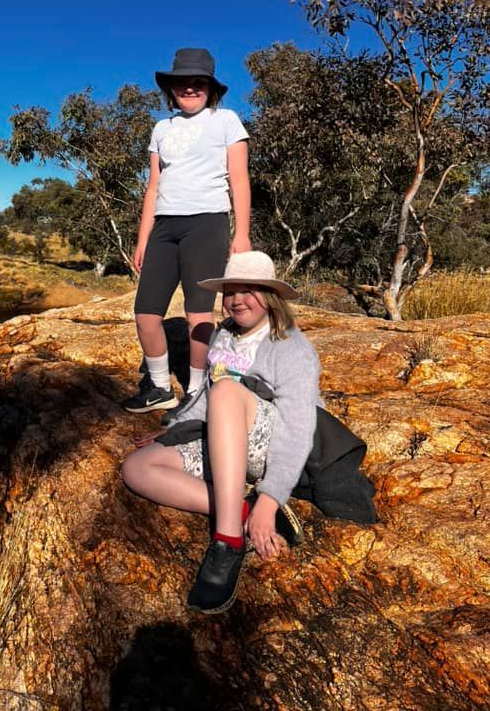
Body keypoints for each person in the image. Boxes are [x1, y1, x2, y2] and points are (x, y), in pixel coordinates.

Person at [121, 251, 323, 614]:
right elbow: (206, 396)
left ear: (271, 297)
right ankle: (240, 510)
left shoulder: (292, 348)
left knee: (230, 389)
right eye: (230, 292)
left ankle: (228, 539)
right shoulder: (224, 336)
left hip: (274, 447)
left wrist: (271, 498)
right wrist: (174, 429)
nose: (237, 300)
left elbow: (297, 430)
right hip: (229, 442)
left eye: (250, 290)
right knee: (138, 468)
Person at [121, 47, 251, 418]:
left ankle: (196, 392)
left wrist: (241, 234)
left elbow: (239, 182)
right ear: (171, 88)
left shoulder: (226, 121)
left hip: (206, 223)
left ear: (211, 88)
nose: (190, 89)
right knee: (145, 314)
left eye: (199, 83)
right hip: (164, 226)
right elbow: (153, 186)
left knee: (198, 317)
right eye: (183, 83)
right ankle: (160, 388)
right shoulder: (162, 128)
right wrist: (143, 237)